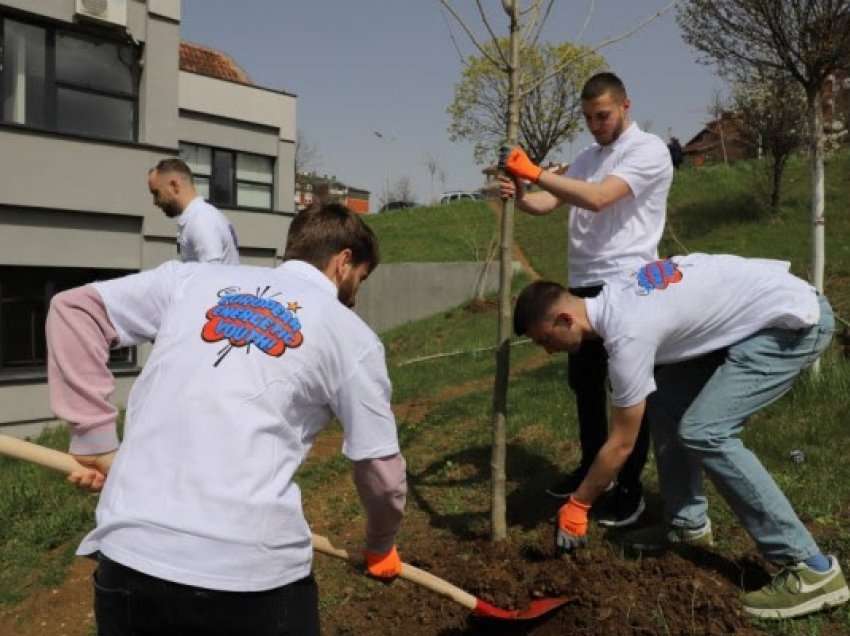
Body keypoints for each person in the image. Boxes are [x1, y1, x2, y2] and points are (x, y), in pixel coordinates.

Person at [45, 203, 407, 636]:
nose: (356, 293)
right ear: (343, 261)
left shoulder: (191, 278)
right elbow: (381, 473)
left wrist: (96, 439)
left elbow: (74, 309)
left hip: (130, 561)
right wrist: (381, 543)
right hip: (252, 582)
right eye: (361, 279)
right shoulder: (352, 337)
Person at [512, 253, 849, 619]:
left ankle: (811, 568)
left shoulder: (627, 333)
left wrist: (579, 504)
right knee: (664, 397)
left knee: (706, 432)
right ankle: (687, 523)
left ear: (565, 320)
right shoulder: (615, 295)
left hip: (789, 324)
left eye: (545, 340)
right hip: (759, 314)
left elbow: (622, 442)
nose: (547, 350)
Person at [498, 72, 674, 527]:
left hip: (628, 282)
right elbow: (545, 204)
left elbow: (598, 199)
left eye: (603, 116)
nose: (596, 125)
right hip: (583, 285)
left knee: (629, 391)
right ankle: (591, 468)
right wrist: (520, 190)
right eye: (589, 118)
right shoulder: (585, 157)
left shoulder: (647, 151)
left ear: (625, 106)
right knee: (585, 385)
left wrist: (536, 172)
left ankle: (630, 487)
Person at [148, 158, 240, 264]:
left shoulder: (201, 219)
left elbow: (212, 275)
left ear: (174, 186)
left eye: (156, 193)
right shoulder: (201, 215)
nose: (155, 202)